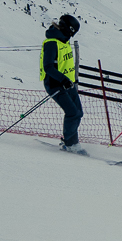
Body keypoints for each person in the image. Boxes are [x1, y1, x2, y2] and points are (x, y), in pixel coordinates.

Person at [40, 13, 83, 151]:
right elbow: (48, 67)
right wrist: (63, 80)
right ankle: (70, 144)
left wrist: (70, 80)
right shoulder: (52, 43)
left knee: (78, 112)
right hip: (55, 84)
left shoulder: (63, 41)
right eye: (72, 32)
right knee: (72, 113)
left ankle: (72, 142)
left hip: (68, 83)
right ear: (68, 29)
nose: (72, 36)